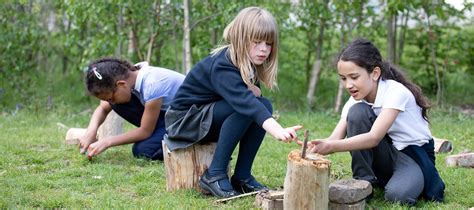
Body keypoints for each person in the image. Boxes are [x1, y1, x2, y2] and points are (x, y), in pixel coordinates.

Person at [165, 7, 301, 198]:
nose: (264, 49)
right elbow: (246, 103)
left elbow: (251, 99)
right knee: (248, 108)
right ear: (240, 38)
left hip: (204, 117)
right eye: (257, 42)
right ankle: (214, 174)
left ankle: (242, 176)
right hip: (184, 122)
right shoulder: (223, 64)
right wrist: (277, 130)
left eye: (269, 44)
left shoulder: (247, 63)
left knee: (264, 105)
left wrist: (253, 92)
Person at [306, 39, 445, 205]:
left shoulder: (395, 91)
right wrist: (315, 149)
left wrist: (331, 147)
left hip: (412, 155)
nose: (348, 85)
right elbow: (335, 138)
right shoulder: (355, 99)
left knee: (397, 196)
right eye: (343, 78)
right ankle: (364, 182)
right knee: (357, 112)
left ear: (375, 73)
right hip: (387, 153)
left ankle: (413, 180)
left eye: (354, 77)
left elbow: (374, 137)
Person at [79, 58, 185, 161]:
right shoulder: (131, 77)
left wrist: (107, 142)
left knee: (143, 150)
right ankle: (163, 136)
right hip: (168, 115)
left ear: (121, 84)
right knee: (117, 104)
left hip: (188, 120)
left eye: (111, 98)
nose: (110, 102)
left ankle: (187, 144)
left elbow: (145, 131)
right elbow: (102, 108)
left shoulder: (152, 85)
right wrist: (91, 131)